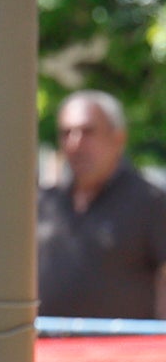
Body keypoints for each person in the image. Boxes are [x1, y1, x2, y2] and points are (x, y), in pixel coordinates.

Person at [38, 89, 166, 320]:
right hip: (48, 350)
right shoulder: (44, 202)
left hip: (125, 352)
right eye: (67, 133)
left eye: (88, 132)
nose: (75, 143)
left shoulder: (151, 203)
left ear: (118, 138)